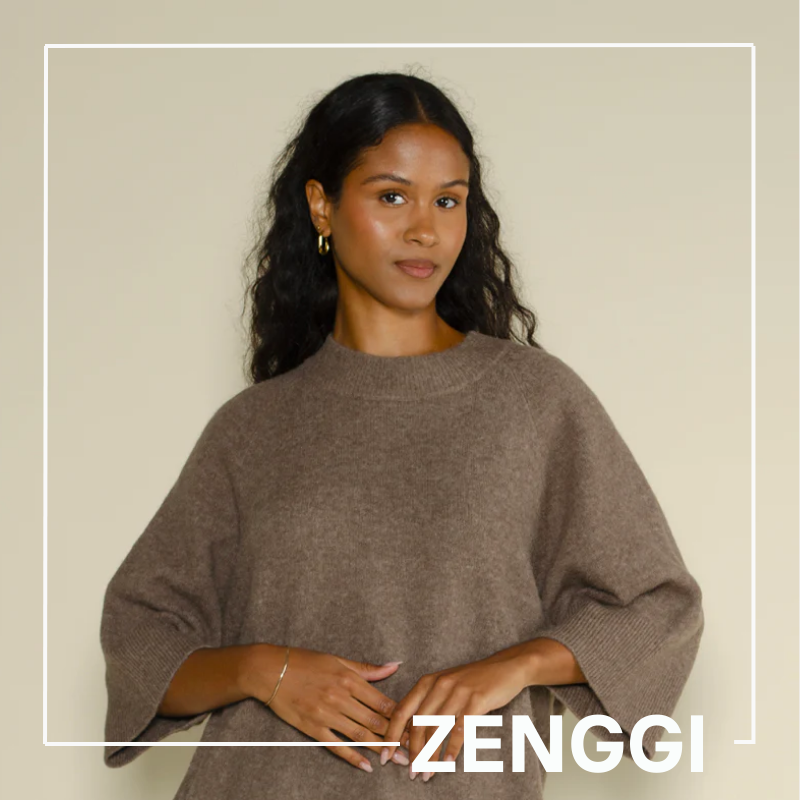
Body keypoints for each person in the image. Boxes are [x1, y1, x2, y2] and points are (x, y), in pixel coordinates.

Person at [100, 70, 705, 799]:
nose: (425, 229)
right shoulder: (253, 428)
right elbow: (140, 636)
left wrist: (512, 667)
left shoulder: (534, 403)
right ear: (321, 206)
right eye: (392, 196)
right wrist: (265, 670)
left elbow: (655, 606)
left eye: (448, 200)